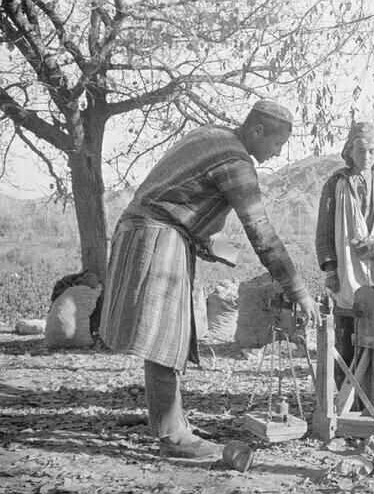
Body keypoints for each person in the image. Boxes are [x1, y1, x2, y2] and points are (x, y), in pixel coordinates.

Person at [100, 100, 321, 459]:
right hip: (157, 237)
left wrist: (207, 242)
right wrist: (299, 292)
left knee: (167, 337)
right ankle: (173, 437)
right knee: (165, 340)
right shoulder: (236, 161)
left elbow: (178, 195)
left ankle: (172, 421)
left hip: (144, 230)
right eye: (277, 143)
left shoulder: (210, 135)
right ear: (257, 131)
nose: (277, 152)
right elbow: (261, 233)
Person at [315, 121, 374, 385]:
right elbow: (325, 229)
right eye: (361, 151)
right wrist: (331, 269)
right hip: (346, 267)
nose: (366, 157)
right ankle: (345, 394)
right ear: (349, 151)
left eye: (372, 151)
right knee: (346, 330)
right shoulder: (335, 185)